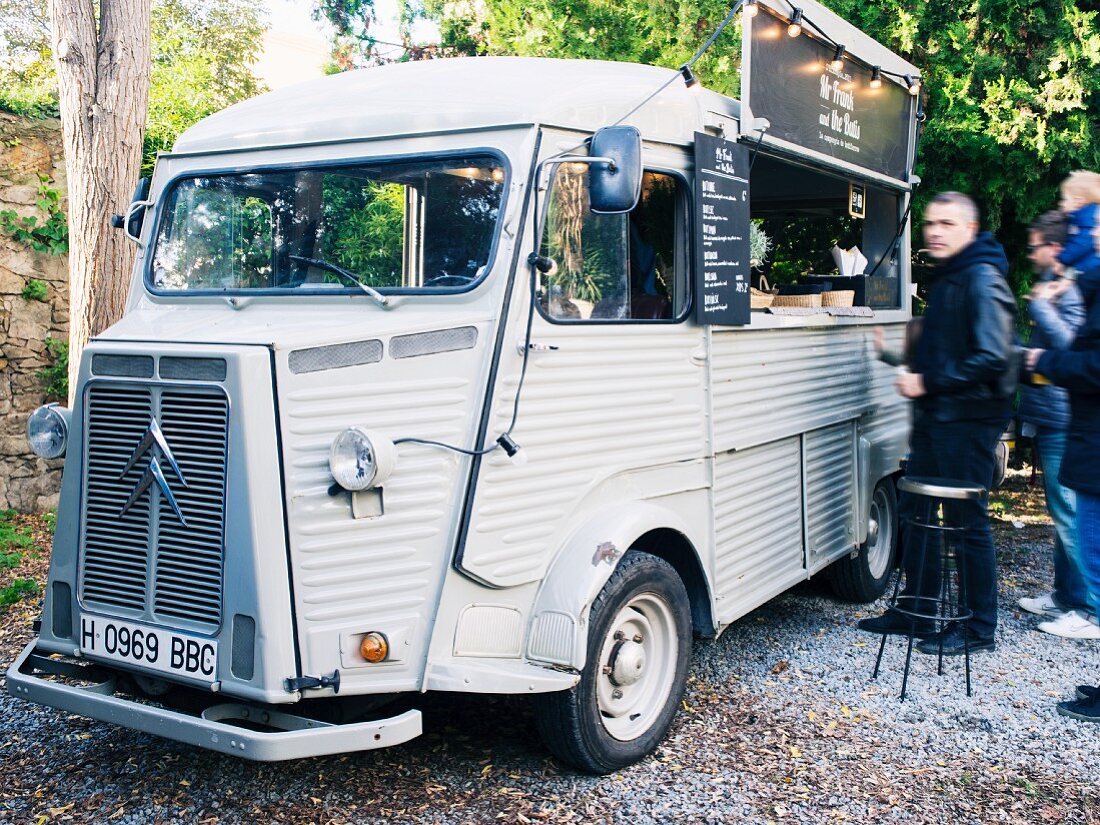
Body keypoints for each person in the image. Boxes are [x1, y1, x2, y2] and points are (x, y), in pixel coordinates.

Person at [859, 191, 1016, 655]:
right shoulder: (953, 276)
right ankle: (917, 611)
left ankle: (977, 629)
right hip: (937, 417)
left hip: (967, 420)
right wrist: (899, 352)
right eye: (931, 224)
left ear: (969, 229)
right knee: (916, 514)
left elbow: (993, 358)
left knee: (967, 524)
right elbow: (947, 343)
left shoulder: (983, 279)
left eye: (947, 224)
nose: (935, 231)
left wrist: (928, 382)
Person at [1029, 226, 1100, 722]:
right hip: (1067, 425)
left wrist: (1040, 347)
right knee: (1070, 524)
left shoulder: (1077, 287)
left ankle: (1082, 607)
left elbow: (1079, 355)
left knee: (1077, 528)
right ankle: (1068, 598)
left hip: (1075, 428)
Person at [1016, 211, 1093, 637]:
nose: (1031, 254)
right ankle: (1065, 594)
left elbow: (1071, 347)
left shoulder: (1069, 291)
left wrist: (1042, 309)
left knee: (1068, 514)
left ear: (1056, 248)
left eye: (1036, 247)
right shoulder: (1056, 286)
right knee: (1059, 511)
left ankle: (1084, 607)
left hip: (1063, 417)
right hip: (1048, 416)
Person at [1057, 171, 1100, 275]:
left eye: (1064, 199)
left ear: (1078, 201)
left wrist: (1061, 258)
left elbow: (1084, 241)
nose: (1061, 203)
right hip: (1080, 269)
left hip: (1086, 271)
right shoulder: (1077, 217)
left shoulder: (1088, 217)